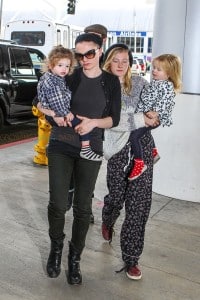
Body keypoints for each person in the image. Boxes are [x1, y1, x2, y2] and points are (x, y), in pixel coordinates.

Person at [46, 33, 121, 285]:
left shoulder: (111, 82)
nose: (83, 59)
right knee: (57, 203)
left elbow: (114, 119)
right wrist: (54, 116)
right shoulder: (70, 75)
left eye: (88, 53)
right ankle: (56, 249)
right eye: (78, 55)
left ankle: (74, 258)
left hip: (91, 149)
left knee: (82, 208)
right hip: (61, 145)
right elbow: (42, 100)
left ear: (100, 51)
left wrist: (93, 124)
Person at [101, 43, 159, 280]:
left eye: (125, 60)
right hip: (116, 151)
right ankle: (108, 216)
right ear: (108, 62)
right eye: (116, 60)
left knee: (138, 206)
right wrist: (139, 119)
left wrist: (153, 118)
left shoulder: (141, 84)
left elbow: (154, 116)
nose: (121, 65)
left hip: (141, 149)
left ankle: (131, 259)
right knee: (116, 196)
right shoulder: (100, 87)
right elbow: (110, 122)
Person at [37, 45, 102, 162]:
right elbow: (56, 101)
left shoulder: (51, 77)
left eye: (67, 66)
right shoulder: (53, 82)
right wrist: (64, 113)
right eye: (60, 65)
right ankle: (86, 149)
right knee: (84, 126)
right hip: (60, 113)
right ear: (51, 65)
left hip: (54, 111)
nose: (64, 69)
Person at [128, 54, 182, 181]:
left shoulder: (166, 86)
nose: (154, 71)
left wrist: (155, 113)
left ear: (169, 74)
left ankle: (139, 163)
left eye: (159, 69)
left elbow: (166, 102)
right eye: (154, 68)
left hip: (153, 117)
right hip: (145, 115)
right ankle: (153, 151)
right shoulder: (157, 83)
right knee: (143, 134)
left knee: (134, 136)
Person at [83, 23, 108, 222]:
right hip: (75, 128)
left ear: (104, 40)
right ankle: (78, 203)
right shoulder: (76, 62)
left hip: (100, 130)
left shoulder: (113, 63)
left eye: (94, 37)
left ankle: (85, 208)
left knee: (89, 174)